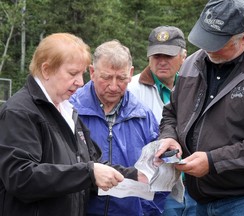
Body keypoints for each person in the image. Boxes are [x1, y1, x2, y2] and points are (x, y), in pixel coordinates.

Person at [155, 0, 244, 215]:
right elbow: (172, 112)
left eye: (217, 42)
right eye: (205, 38)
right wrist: (169, 136)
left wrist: (214, 161)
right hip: (197, 198)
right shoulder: (191, 64)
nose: (207, 48)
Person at [0, 33, 144, 216]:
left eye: (81, 74)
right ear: (46, 70)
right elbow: (21, 178)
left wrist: (136, 175)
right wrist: (88, 173)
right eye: (72, 73)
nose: (80, 82)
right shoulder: (20, 112)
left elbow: (92, 162)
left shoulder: (68, 110)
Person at [70, 40, 167, 216]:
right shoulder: (70, 110)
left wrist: (148, 213)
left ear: (130, 74)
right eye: (106, 77)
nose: (114, 86)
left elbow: (160, 173)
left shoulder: (144, 117)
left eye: (121, 78)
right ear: (92, 72)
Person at [128, 25, 196, 215]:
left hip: (195, 185)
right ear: (149, 57)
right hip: (154, 188)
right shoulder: (130, 90)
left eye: (169, 56)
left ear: (184, 56)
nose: (162, 62)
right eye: (157, 56)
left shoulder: (199, 88)